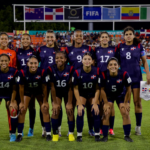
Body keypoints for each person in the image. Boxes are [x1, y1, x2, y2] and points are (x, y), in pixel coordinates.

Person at [115, 26, 150, 135]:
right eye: (126, 34)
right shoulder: (119, 47)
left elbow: (144, 61)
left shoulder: (139, 46)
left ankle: (138, 127)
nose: (128, 36)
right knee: (126, 103)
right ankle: (128, 127)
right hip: (124, 80)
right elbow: (115, 63)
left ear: (134, 35)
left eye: (130, 34)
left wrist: (148, 74)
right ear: (124, 36)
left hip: (137, 79)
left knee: (137, 103)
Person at [63, 29, 95, 136]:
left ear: (83, 37)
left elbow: (93, 63)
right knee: (70, 106)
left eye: (81, 35)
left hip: (87, 81)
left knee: (90, 107)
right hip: (73, 82)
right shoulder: (68, 50)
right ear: (73, 37)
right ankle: (71, 129)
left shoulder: (89, 48)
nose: (79, 37)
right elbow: (64, 64)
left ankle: (91, 129)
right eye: (77, 35)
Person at [15, 55, 51, 142]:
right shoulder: (22, 72)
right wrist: (21, 102)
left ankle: (48, 133)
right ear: (27, 63)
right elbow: (21, 88)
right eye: (31, 63)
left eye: (35, 63)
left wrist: (45, 101)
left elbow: (45, 87)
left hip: (39, 92)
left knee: (45, 109)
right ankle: (19, 134)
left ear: (38, 64)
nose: (33, 65)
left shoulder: (42, 71)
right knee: (22, 109)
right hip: (27, 92)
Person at [99, 57, 133, 142]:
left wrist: (126, 102)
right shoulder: (103, 74)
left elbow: (129, 88)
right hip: (109, 96)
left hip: (121, 95)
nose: (113, 66)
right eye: (110, 65)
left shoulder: (124, 74)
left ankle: (127, 135)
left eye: (115, 64)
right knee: (107, 112)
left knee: (125, 111)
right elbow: (102, 89)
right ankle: (105, 136)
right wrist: (106, 103)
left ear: (118, 66)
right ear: (107, 67)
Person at [37, 30, 63, 137]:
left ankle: (58, 128)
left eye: (51, 37)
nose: (49, 39)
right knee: (43, 105)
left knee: (57, 105)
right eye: (48, 37)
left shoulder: (59, 50)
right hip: (43, 82)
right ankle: (44, 128)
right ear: (45, 38)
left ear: (55, 38)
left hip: (56, 82)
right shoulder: (40, 49)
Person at [46, 51, 75, 142]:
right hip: (57, 93)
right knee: (55, 111)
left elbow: (71, 87)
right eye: (57, 58)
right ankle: (55, 134)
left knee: (69, 111)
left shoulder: (70, 69)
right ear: (55, 59)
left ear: (65, 59)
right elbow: (52, 87)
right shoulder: (51, 69)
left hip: (68, 92)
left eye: (61, 58)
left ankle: (71, 133)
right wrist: (54, 103)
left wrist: (70, 103)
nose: (59, 59)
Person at [73, 52, 100, 142]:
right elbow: (75, 89)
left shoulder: (97, 71)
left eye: (89, 59)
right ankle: (79, 135)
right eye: (85, 59)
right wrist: (79, 104)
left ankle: (97, 135)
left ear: (92, 61)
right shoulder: (77, 72)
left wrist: (95, 103)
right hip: (82, 94)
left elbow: (97, 89)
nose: (87, 61)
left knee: (96, 111)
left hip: (93, 94)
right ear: (82, 61)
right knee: (80, 111)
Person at [16, 33, 37, 137]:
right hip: (22, 82)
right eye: (23, 39)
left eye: (27, 39)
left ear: (30, 40)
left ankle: (31, 128)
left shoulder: (34, 52)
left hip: (32, 81)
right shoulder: (17, 51)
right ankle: (21, 129)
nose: (25, 40)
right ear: (20, 40)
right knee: (22, 106)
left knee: (32, 107)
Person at [95, 31, 116, 135]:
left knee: (110, 105)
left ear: (108, 39)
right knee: (100, 104)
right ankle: (101, 127)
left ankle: (111, 128)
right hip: (99, 79)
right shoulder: (96, 50)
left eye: (106, 37)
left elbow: (118, 62)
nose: (104, 38)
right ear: (99, 39)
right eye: (102, 37)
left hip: (111, 79)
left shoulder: (113, 49)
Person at [0, 32, 17, 135]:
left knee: (10, 108)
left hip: (9, 83)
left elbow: (14, 68)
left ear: (8, 40)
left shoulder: (13, 52)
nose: (4, 40)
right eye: (2, 39)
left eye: (5, 39)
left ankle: (12, 132)